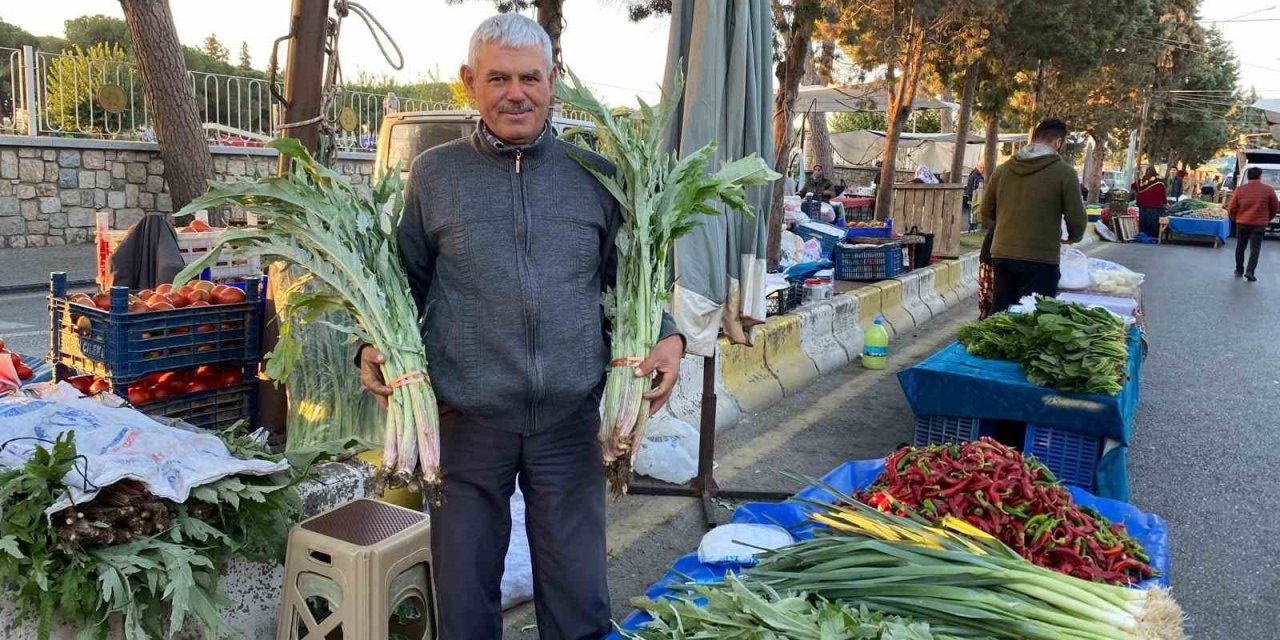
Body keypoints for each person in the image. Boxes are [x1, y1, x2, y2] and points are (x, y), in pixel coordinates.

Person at [356, 15, 686, 639]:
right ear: (469, 84)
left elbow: (630, 280)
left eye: (530, 77)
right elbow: (403, 280)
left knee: (578, 596)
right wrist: (369, 344)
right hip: (466, 418)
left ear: (552, 81)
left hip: (570, 418)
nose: (517, 93)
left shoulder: (597, 177)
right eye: (499, 78)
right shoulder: (435, 174)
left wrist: (669, 334)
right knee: (464, 596)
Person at [979, 118, 1087, 313]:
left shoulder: (1003, 170)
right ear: (1058, 143)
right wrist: (1073, 237)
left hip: (1002, 254)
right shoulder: (1065, 173)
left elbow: (985, 212)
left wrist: (1007, 225)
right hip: (1041, 258)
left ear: (1034, 138)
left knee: (1001, 318)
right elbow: (1076, 219)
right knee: (1037, 319)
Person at [1227, 166, 1279, 282]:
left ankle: (1239, 269)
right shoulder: (1268, 190)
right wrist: (1268, 218)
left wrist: (1236, 218)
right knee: (1255, 248)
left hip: (1242, 222)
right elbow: (1275, 207)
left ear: (1248, 176)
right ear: (1260, 176)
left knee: (1240, 246)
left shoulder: (1240, 190)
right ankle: (1250, 271)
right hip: (1259, 223)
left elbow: (1231, 207)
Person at [1131, 166, 1167, 239]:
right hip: (1154, 206)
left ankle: (1144, 234)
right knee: (1152, 221)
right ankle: (1153, 236)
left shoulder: (1142, 180)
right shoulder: (1158, 181)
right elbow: (1161, 193)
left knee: (1143, 220)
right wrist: (1165, 202)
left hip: (1142, 205)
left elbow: (1133, 186)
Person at [963, 165, 984, 230]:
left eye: (983, 168)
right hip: (973, 196)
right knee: (972, 212)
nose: (982, 169)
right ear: (977, 167)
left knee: (973, 211)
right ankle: (972, 226)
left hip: (973, 196)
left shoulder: (976, 175)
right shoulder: (975, 176)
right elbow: (971, 187)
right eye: (981, 168)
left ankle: (973, 225)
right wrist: (971, 196)